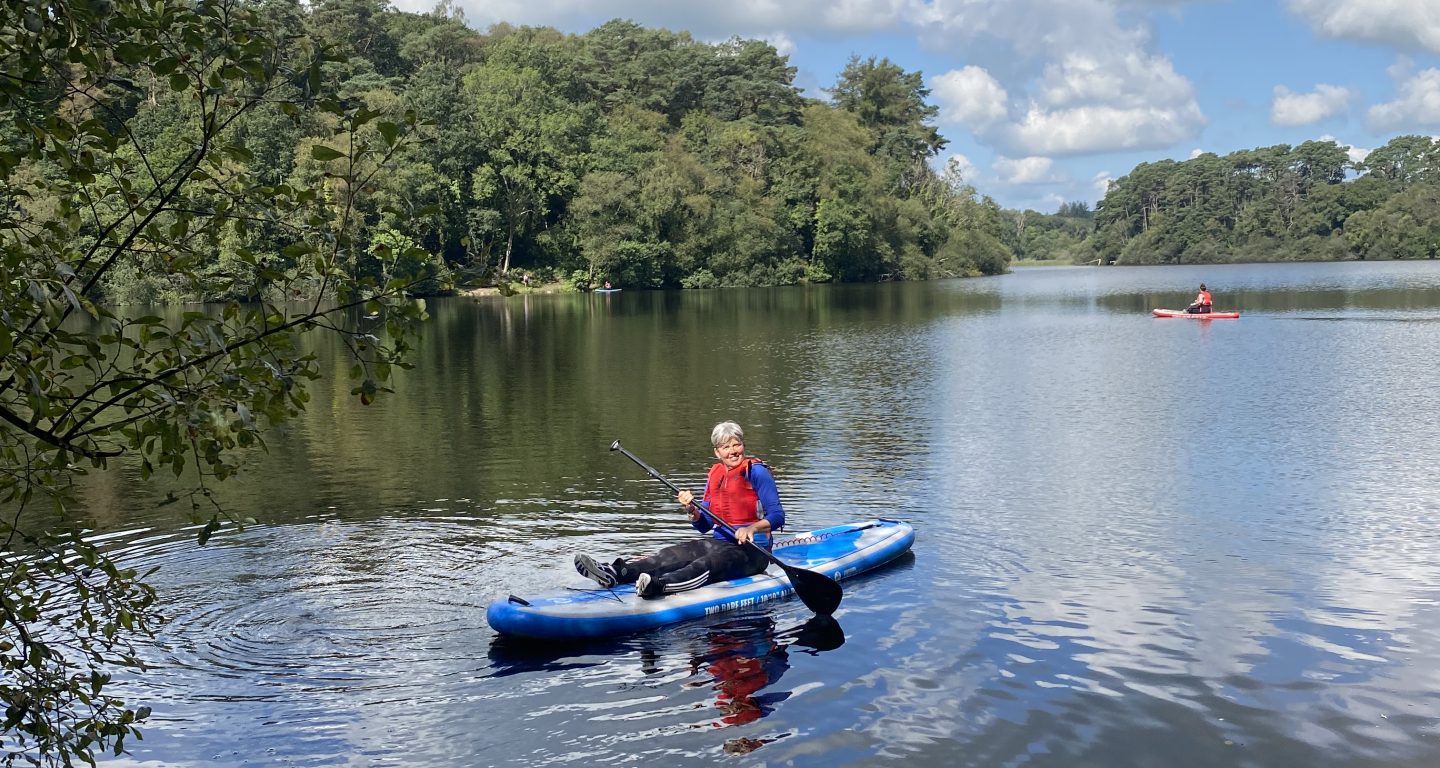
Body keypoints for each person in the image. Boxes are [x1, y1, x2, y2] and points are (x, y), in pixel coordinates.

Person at [574, 421, 785, 598]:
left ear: (743, 445)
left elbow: (777, 515)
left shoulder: (757, 472)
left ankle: (660, 585)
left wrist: (752, 529)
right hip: (719, 542)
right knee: (671, 555)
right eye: (726, 447)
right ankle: (614, 572)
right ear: (717, 452)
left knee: (706, 563)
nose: (733, 451)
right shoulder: (715, 474)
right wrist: (692, 510)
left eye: (736, 445)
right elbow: (704, 526)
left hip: (753, 552)